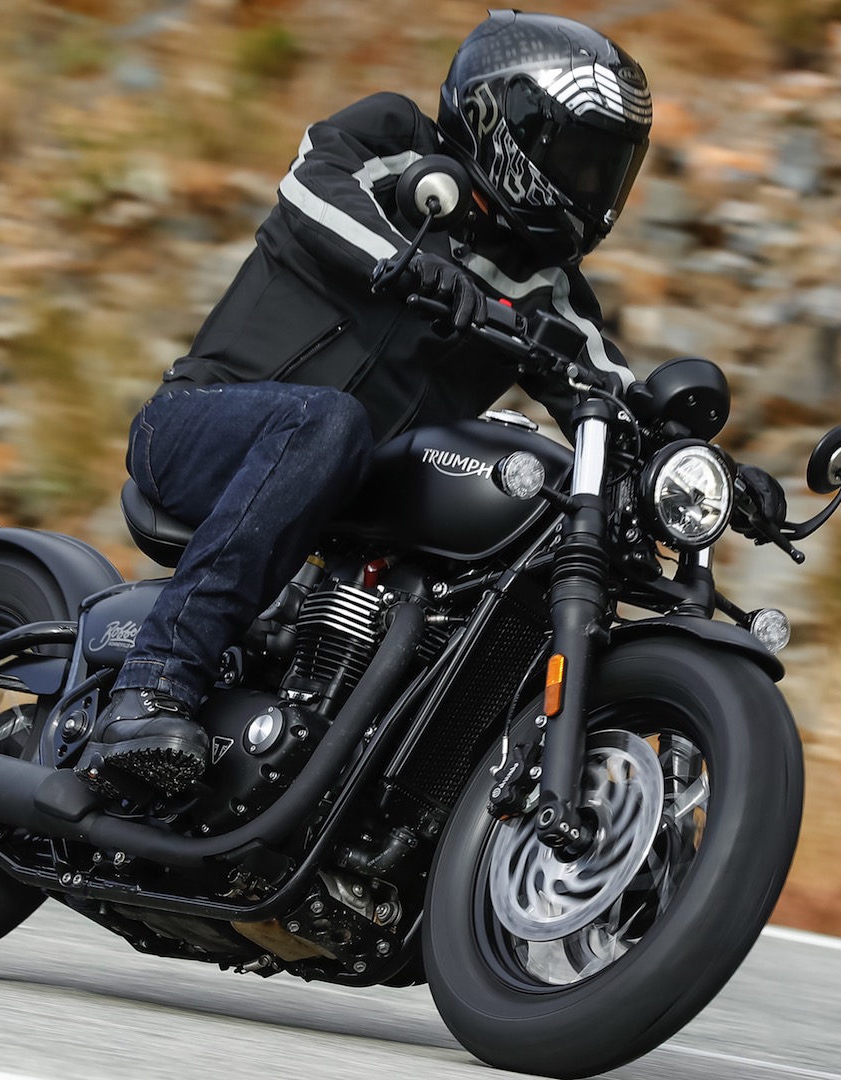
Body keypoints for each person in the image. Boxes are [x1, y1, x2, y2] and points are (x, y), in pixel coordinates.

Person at [78, 10, 654, 799]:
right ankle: (150, 687)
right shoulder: (394, 140)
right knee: (326, 420)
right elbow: (311, 187)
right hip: (199, 423)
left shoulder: (543, 287)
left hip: (345, 507)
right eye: (581, 160)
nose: (594, 189)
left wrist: (694, 462)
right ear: (506, 122)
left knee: (523, 511)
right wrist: (406, 263)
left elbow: (608, 388)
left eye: (608, 169)